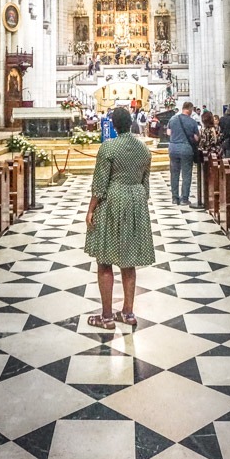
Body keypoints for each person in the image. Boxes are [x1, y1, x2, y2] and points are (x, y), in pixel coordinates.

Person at [85, 107, 154, 330]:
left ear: (113, 125)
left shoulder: (109, 147)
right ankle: (128, 312)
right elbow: (146, 184)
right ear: (130, 123)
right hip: (136, 200)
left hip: (113, 199)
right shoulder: (143, 149)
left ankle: (106, 317)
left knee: (104, 260)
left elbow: (100, 184)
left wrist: (90, 210)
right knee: (129, 260)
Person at [167, 101, 200, 205]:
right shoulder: (192, 121)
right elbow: (196, 137)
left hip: (173, 148)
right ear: (190, 109)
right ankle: (184, 198)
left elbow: (168, 133)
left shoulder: (173, 119)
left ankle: (175, 198)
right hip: (186, 149)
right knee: (186, 174)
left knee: (174, 174)